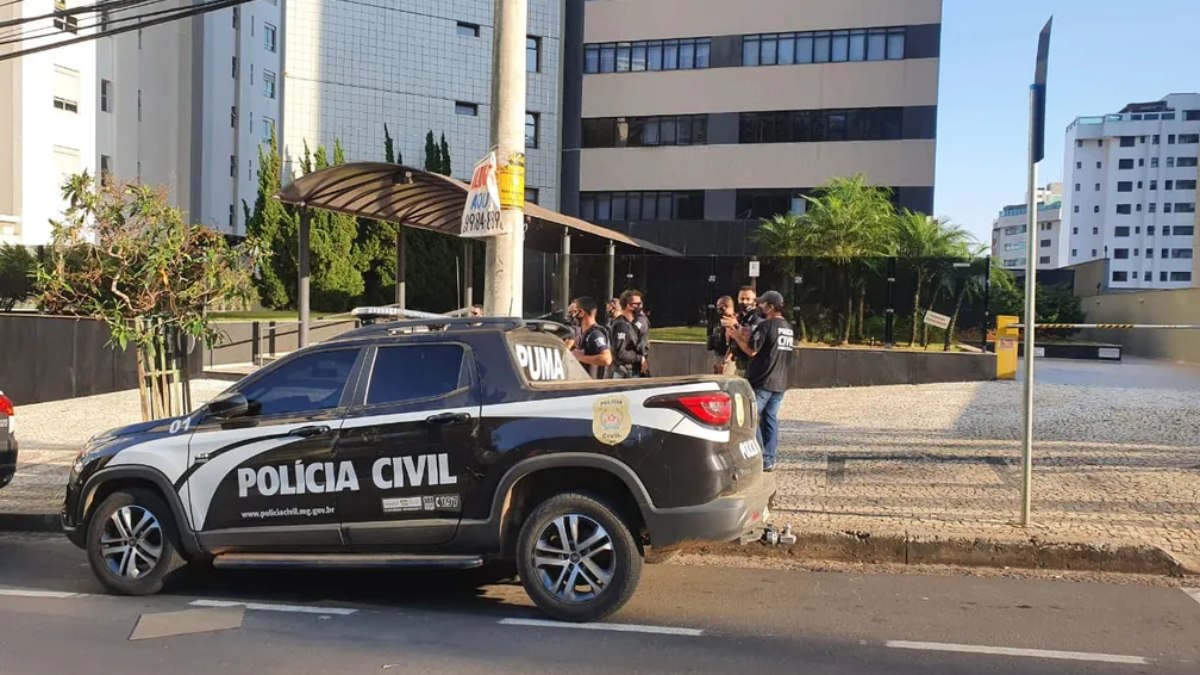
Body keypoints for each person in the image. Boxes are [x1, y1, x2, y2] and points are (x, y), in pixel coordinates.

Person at [727, 290, 794, 472]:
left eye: (763, 303)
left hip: (763, 380)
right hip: (780, 382)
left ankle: (758, 455)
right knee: (770, 419)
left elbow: (752, 351)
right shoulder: (788, 327)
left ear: (771, 307)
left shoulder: (767, 325)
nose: (760, 306)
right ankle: (769, 459)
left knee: (752, 418)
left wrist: (735, 337)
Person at [724, 286, 762, 377]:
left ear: (754, 301)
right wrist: (725, 360)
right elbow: (733, 342)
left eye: (748, 299)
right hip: (738, 360)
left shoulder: (757, 317)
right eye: (742, 299)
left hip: (751, 364)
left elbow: (751, 340)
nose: (744, 302)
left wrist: (736, 325)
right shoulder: (740, 317)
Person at [570, 296, 612, 379]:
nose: (572, 316)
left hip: (593, 386)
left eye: (574, 312)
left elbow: (606, 358)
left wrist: (579, 357)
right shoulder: (585, 334)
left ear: (581, 312)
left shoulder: (595, 334)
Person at [609, 294, 643, 378]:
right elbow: (620, 352)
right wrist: (640, 358)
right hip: (625, 371)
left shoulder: (629, 324)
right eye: (637, 304)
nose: (640, 307)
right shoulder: (621, 325)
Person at [622, 289, 651, 377]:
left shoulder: (640, 320)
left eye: (640, 303)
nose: (640, 305)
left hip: (634, 365)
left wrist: (641, 358)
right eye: (636, 304)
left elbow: (636, 339)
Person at [706, 296, 737, 375]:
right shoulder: (722, 321)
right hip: (718, 355)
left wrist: (725, 362)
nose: (717, 309)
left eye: (719, 306)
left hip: (727, 359)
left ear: (724, 306)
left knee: (725, 384)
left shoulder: (732, 321)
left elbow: (733, 344)